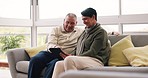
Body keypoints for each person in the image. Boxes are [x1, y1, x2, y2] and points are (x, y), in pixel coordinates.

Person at [52, 7, 111, 78]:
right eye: (83, 19)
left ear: (93, 17)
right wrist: (70, 54)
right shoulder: (85, 32)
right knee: (59, 64)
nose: (84, 22)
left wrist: (74, 57)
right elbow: (77, 48)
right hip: (83, 59)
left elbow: (92, 52)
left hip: (96, 60)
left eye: (85, 19)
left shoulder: (101, 32)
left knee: (69, 60)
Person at [28, 13, 83, 78]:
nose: (69, 25)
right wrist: (57, 49)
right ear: (64, 21)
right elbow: (51, 43)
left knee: (54, 64)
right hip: (51, 53)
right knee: (35, 59)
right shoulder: (55, 29)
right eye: (67, 22)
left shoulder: (81, 32)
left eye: (72, 23)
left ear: (76, 23)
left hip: (65, 57)